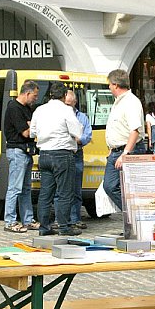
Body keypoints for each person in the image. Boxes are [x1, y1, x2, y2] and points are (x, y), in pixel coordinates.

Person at [30, 82, 83, 236]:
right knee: (64, 193)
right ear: (64, 95)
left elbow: (33, 132)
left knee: (45, 193)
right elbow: (77, 131)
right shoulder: (66, 110)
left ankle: (44, 227)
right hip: (62, 154)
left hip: (44, 153)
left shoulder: (40, 110)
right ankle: (64, 227)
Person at [103, 69, 146, 211]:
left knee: (119, 187)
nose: (109, 87)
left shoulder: (130, 102)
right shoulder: (118, 102)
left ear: (115, 85)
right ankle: (132, 216)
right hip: (116, 151)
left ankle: (135, 216)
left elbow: (135, 130)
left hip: (128, 151)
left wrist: (125, 153)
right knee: (110, 186)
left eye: (109, 84)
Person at [3, 80, 40, 233]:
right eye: (35, 96)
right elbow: (26, 132)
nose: (36, 99)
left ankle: (27, 219)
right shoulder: (14, 107)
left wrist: (31, 124)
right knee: (15, 188)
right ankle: (10, 221)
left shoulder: (27, 108)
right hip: (17, 151)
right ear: (27, 93)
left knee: (26, 188)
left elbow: (32, 127)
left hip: (26, 152)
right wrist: (32, 125)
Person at [64, 89, 92, 229]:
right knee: (62, 188)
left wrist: (79, 139)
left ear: (75, 102)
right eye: (65, 104)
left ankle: (75, 218)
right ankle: (62, 218)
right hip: (63, 153)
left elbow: (88, 135)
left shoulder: (82, 117)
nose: (68, 106)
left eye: (70, 104)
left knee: (76, 188)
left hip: (77, 153)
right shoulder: (60, 115)